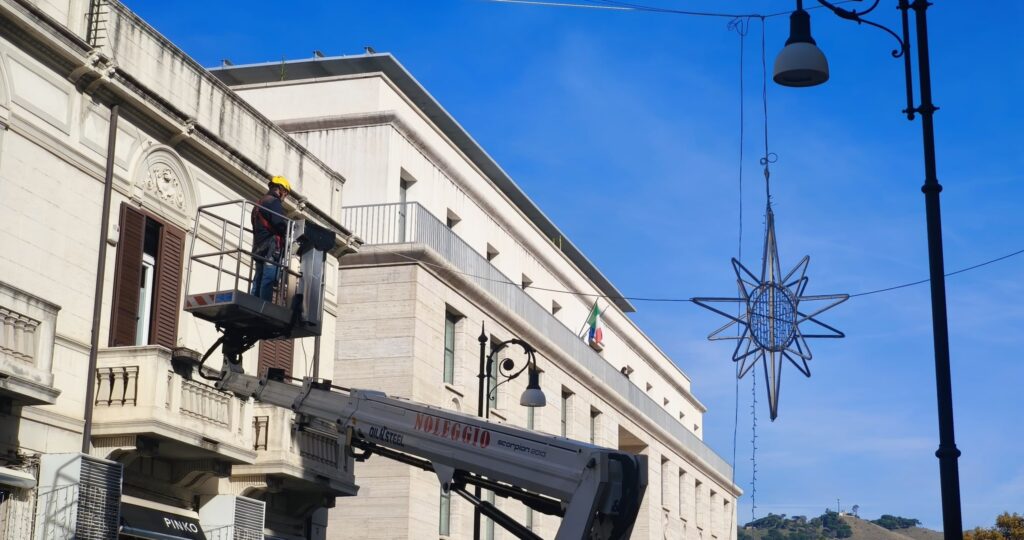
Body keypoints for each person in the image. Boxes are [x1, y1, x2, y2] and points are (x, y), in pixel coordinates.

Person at [250, 176, 291, 301]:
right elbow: (278, 223)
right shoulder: (274, 202)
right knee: (268, 278)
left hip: (258, 246)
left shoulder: (259, 202)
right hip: (271, 247)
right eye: (286, 193)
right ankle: (263, 305)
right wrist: (288, 230)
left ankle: (253, 301)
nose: (285, 197)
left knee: (258, 277)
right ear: (280, 189)